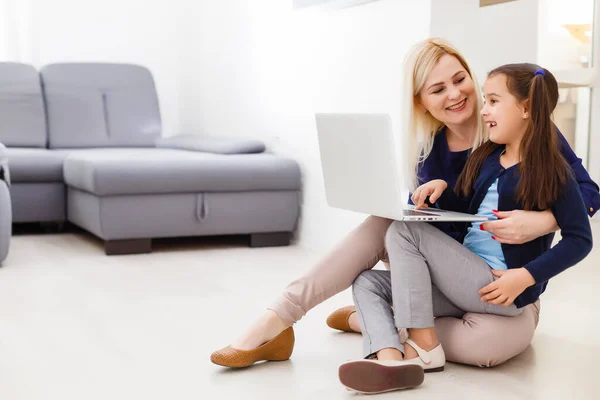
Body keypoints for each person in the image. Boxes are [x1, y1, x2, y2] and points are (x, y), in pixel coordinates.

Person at [210, 38, 600, 369]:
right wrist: (424, 200)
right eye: (437, 89)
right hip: (452, 278)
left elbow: (588, 194)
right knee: (387, 221)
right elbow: (444, 222)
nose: (455, 94)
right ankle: (280, 318)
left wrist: (544, 222)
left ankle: (381, 322)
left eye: (460, 80)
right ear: (421, 103)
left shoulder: (524, 130)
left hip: (505, 287)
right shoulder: (432, 155)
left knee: (486, 348)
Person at [338, 63, 593, 394]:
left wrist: (527, 276)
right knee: (367, 281)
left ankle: (423, 347)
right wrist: (441, 190)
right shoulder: (488, 157)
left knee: (403, 231)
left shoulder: (554, 172)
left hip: (500, 285)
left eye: (493, 101)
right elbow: (470, 210)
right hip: (466, 279)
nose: (484, 111)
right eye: (485, 100)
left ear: (526, 108)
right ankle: (390, 360)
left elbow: (580, 239)